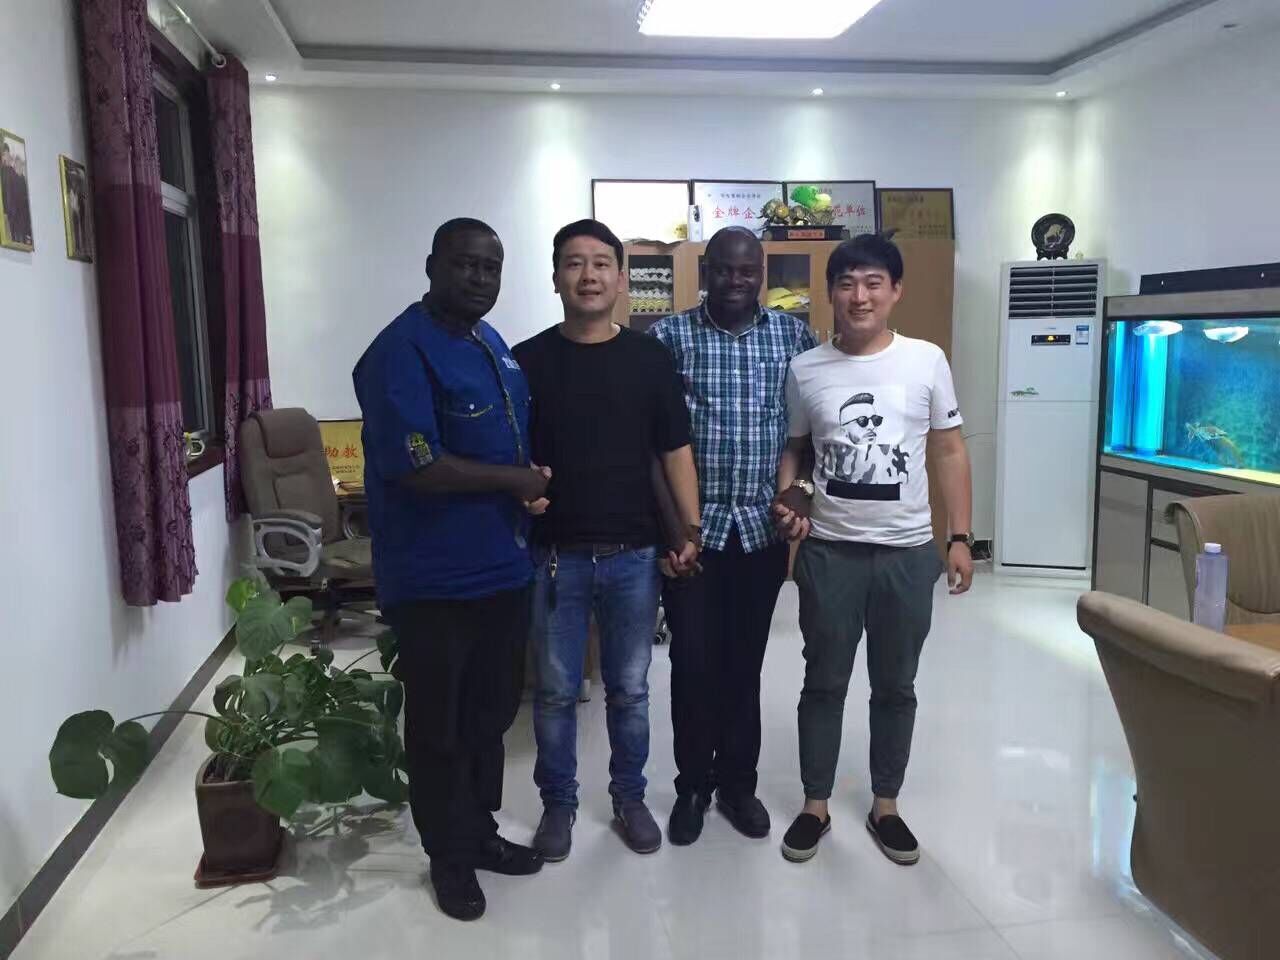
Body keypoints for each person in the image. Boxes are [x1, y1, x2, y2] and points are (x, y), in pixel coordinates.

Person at [353, 218, 548, 922]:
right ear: (432, 264)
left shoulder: (490, 344)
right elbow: (418, 465)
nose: (480, 277)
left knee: (491, 714)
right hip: (434, 580)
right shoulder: (399, 352)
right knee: (440, 725)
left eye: (492, 267)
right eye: (466, 263)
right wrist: (513, 480)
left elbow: (508, 440)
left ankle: (479, 831)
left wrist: (527, 482)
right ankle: (449, 856)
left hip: (503, 569)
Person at [772, 233, 974, 866]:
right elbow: (796, 450)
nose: (859, 296)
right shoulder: (806, 369)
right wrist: (789, 495)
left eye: (872, 283)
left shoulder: (926, 360)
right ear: (831, 293)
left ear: (895, 291)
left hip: (907, 555)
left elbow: (949, 449)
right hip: (830, 554)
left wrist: (959, 537)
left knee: (895, 685)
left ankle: (886, 805)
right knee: (823, 682)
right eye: (846, 283)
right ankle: (815, 804)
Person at [513, 219, 700, 862]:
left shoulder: (650, 358)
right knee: (555, 692)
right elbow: (510, 453)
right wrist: (521, 491)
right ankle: (558, 805)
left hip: (634, 557)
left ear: (621, 278)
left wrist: (689, 529)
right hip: (554, 556)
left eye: (600, 263)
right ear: (555, 277)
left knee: (630, 689)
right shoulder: (527, 361)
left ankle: (629, 798)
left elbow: (675, 451)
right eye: (574, 263)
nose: (588, 275)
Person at [649, 227, 816, 846]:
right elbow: (652, 440)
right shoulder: (668, 337)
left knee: (745, 665)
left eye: (748, 271)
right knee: (692, 663)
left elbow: (810, 432)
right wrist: (673, 530)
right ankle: (693, 785)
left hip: (760, 532)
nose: (736, 281)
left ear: (762, 274)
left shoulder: (794, 337)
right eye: (724, 269)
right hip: (694, 534)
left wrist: (803, 489)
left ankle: (738, 785)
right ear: (705, 272)